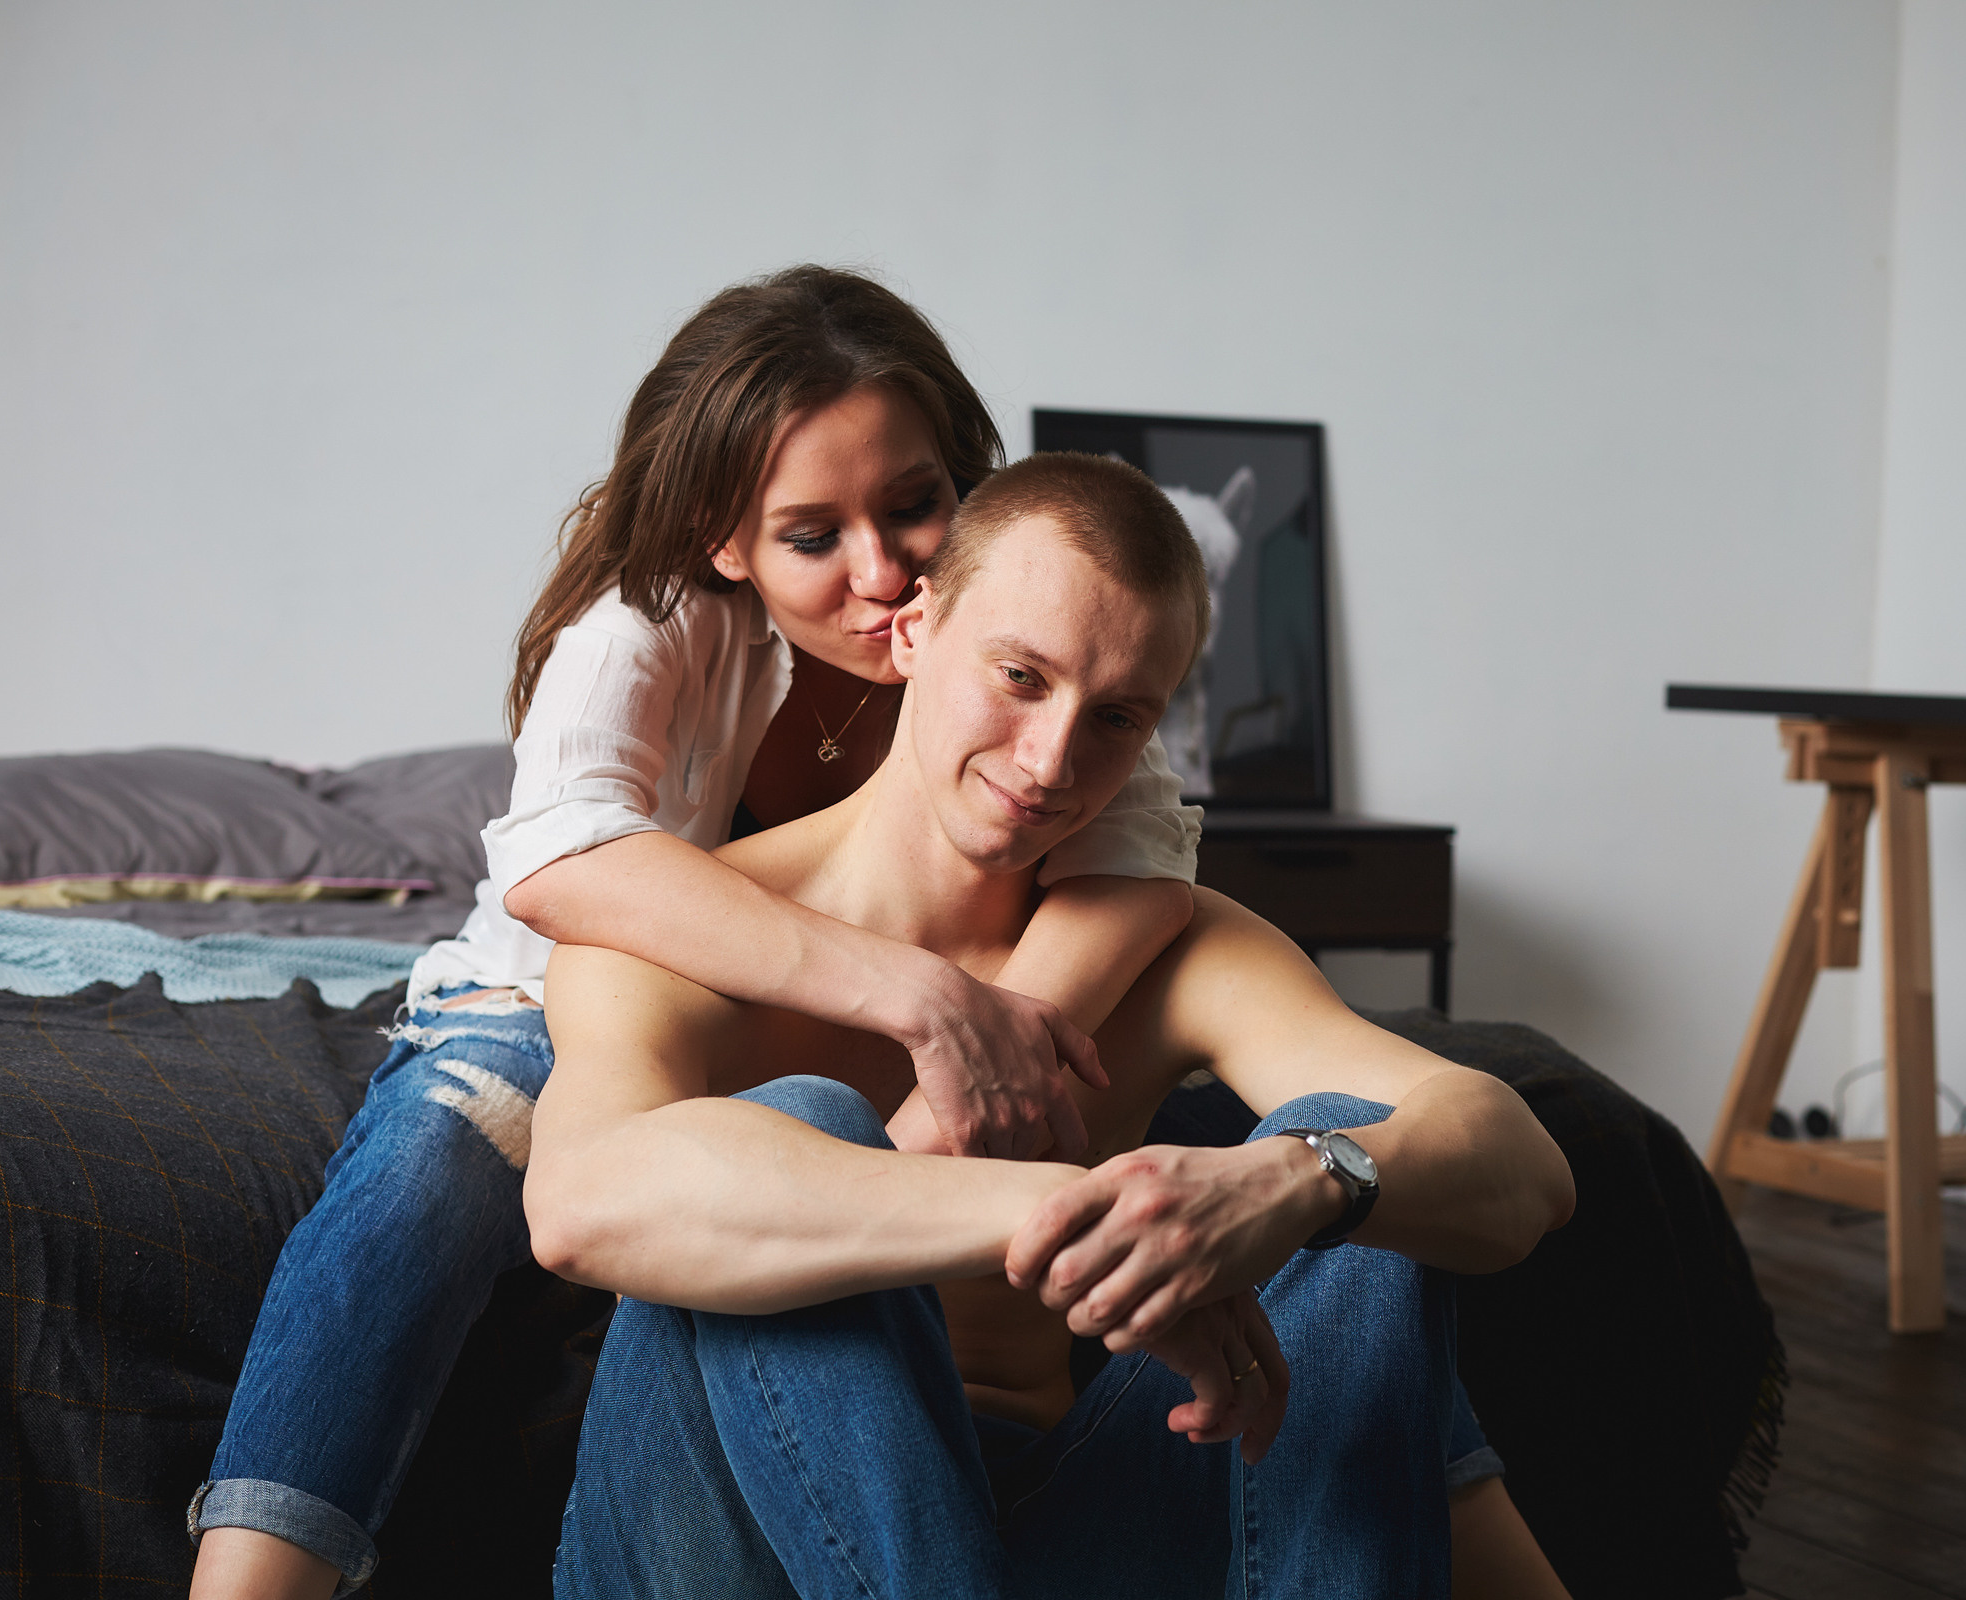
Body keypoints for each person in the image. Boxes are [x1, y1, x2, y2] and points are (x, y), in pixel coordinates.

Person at [187, 269, 1202, 1600]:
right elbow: (558, 859)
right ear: (726, 541)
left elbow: (1142, 846)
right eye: (811, 535)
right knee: (423, 1181)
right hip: (564, 993)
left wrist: (1002, 1049)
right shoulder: (644, 630)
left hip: (857, 1024)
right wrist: (915, 998)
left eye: (912, 506)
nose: (882, 570)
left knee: (1239, 1134)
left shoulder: (1015, 645)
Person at [527, 453, 1579, 1598]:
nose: (1052, 761)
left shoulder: (1177, 950)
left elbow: (1524, 1164)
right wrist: (1084, 1210)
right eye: (1022, 675)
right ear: (916, 627)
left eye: (1117, 715)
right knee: (801, 1126)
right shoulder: (679, 923)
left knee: (1345, 1154)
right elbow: (584, 1205)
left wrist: (1287, 1186)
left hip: (1060, 1512)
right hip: (739, 1539)